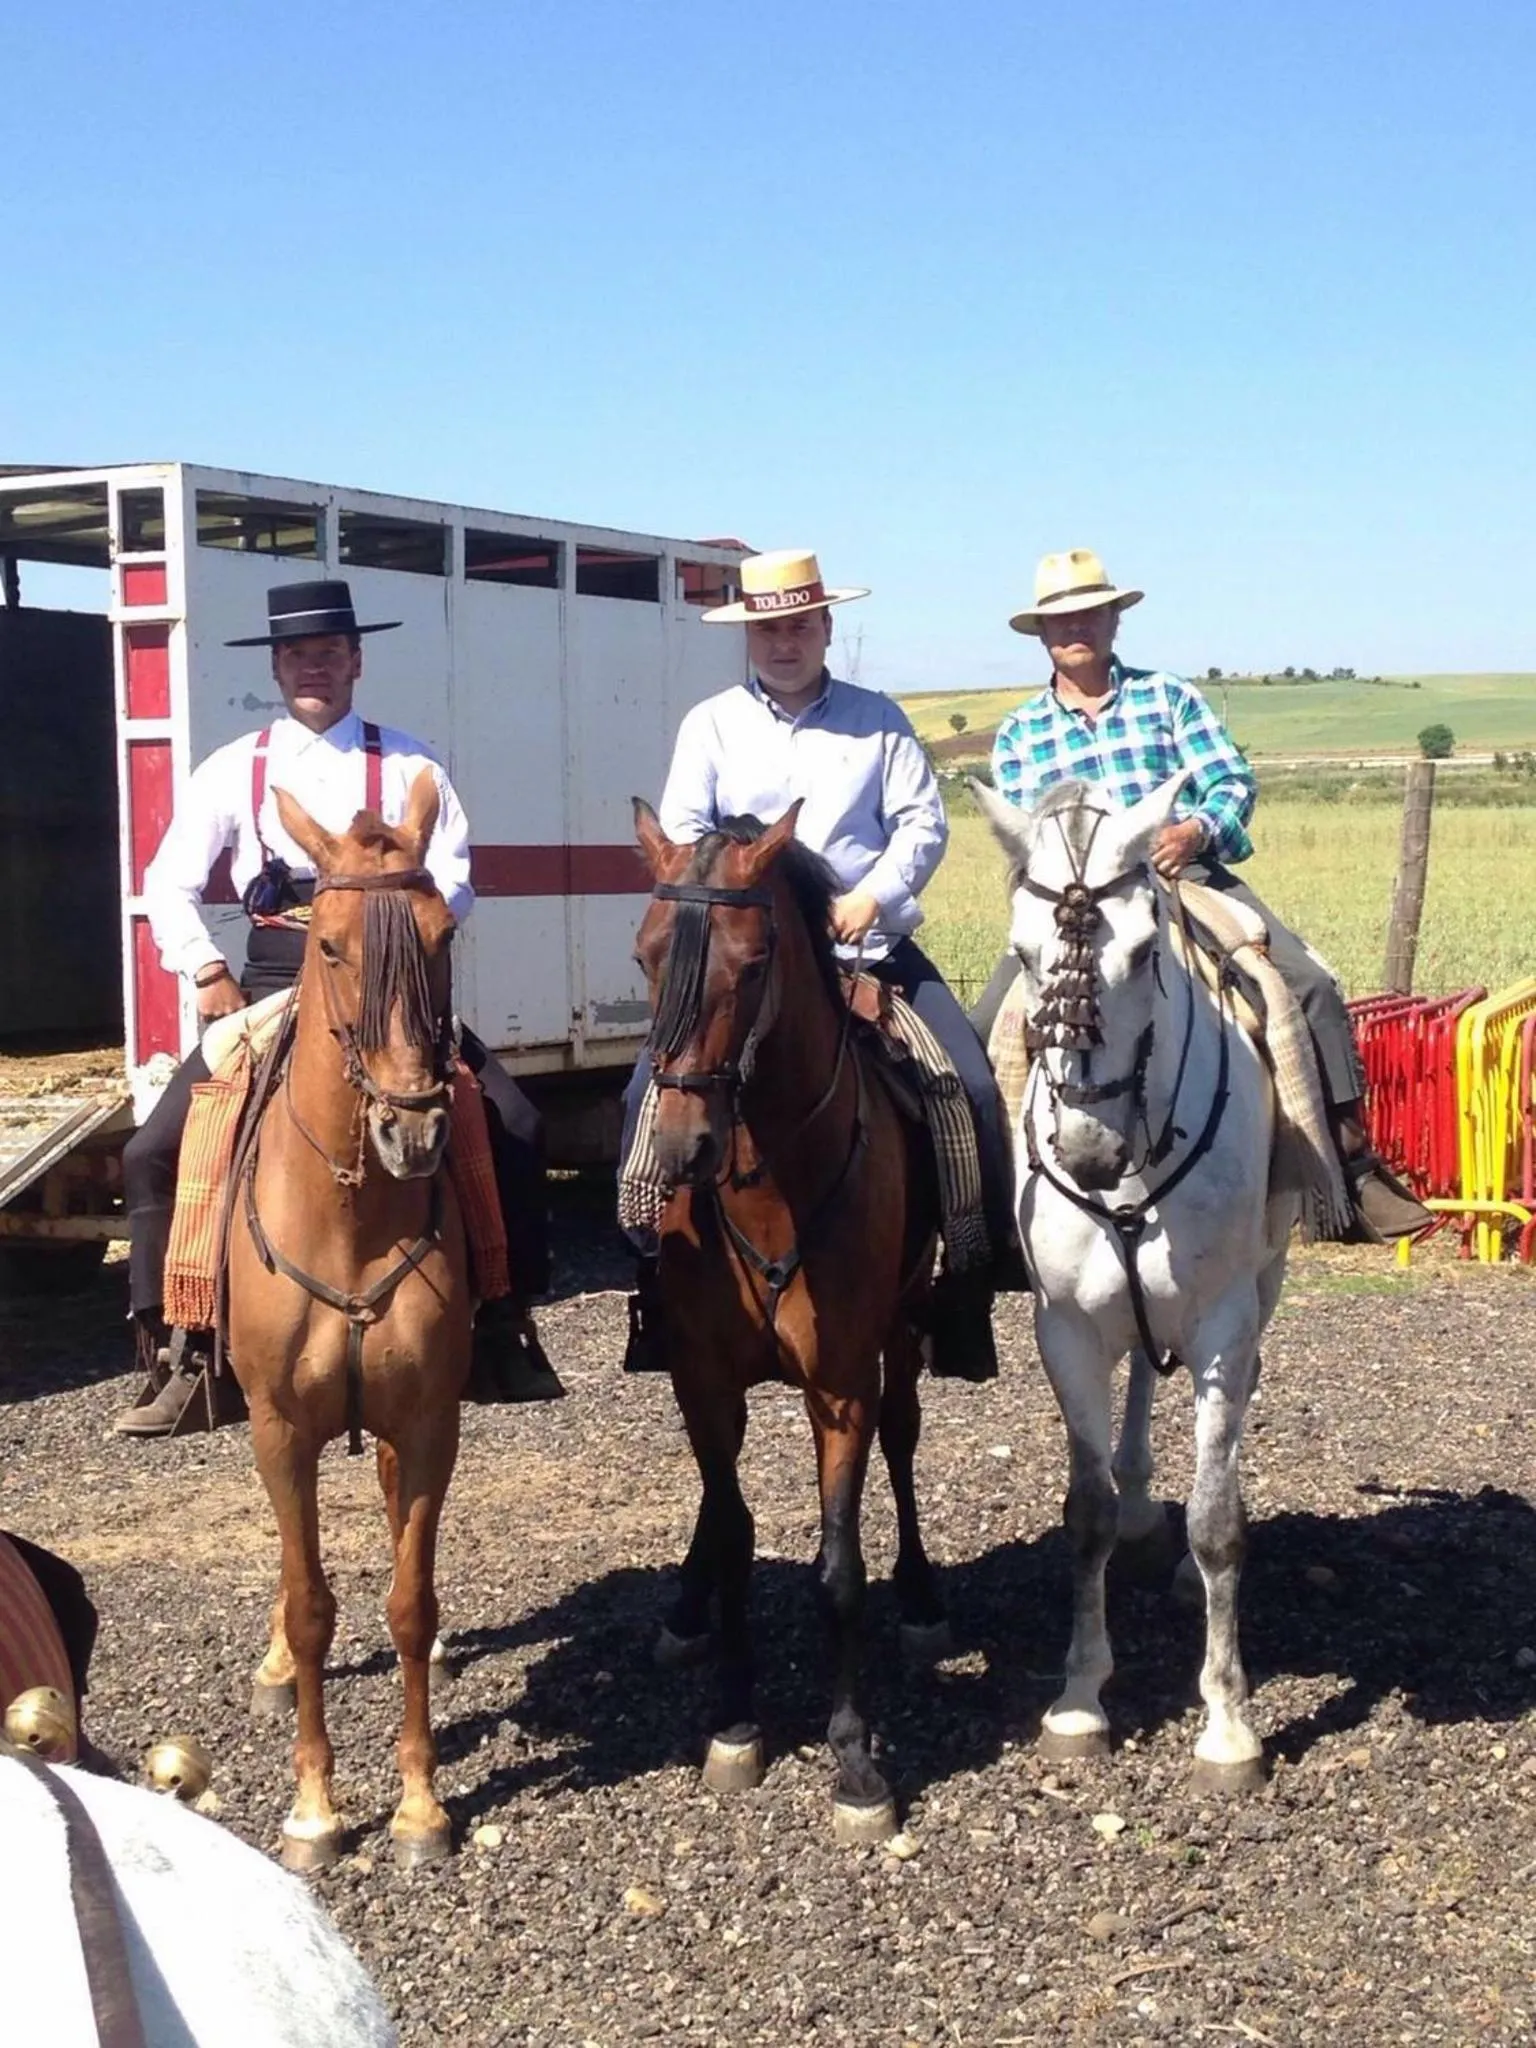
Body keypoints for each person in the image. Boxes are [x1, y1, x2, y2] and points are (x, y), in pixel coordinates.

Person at [116, 580, 562, 1436]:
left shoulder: (410, 766)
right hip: (276, 985)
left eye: (330, 652)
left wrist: (400, 933)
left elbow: (457, 877)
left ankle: (504, 1323)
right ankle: (183, 1346)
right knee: (153, 1149)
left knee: (512, 1122)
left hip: (389, 985)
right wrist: (205, 968)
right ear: (277, 667)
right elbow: (166, 883)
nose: (314, 667)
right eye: (298, 655)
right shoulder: (235, 768)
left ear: (357, 660)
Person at [620, 548, 1019, 1375]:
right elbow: (686, 840)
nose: (784, 642)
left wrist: (872, 897)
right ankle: (655, 1282)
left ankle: (967, 1284)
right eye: (769, 628)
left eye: (799, 625)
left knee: (967, 1083)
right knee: (643, 1095)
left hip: (866, 948)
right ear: (749, 637)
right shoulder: (712, 724)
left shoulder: (879, 720)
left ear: (826, 627)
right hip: (740, 962)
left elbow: (922, 825)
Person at [975, 547, 1431, 1243]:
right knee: (984, 1029)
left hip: (1182, 878)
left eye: (1091, 613)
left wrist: (1196, 829)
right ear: (1041, 633)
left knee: (1306, 986)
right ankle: (991, 1214)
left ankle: (1350, 1168)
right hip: (1077, 910)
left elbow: (1232, 782)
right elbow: (1020, 840)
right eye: (1061, 619)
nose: (1078, 629)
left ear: (1113, 621)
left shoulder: (1168, 697)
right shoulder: (1020, 732)